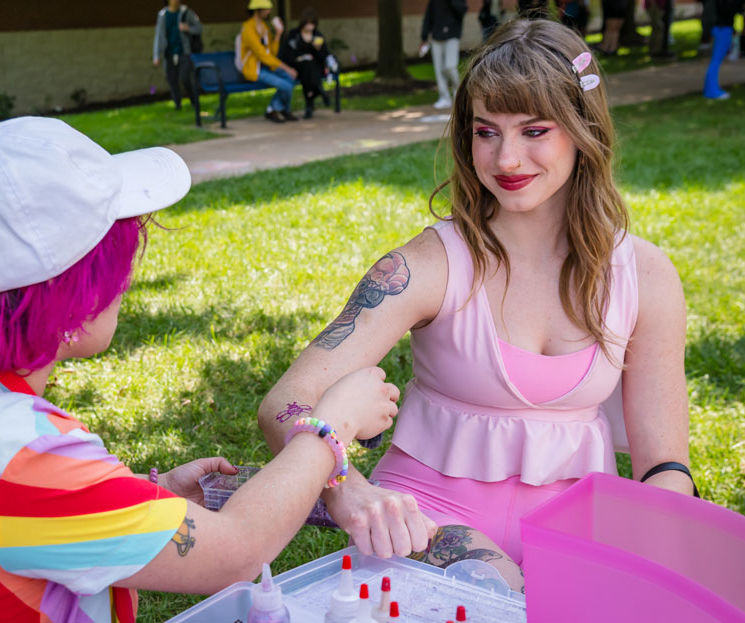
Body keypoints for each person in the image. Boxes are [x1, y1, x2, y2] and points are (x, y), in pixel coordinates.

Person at [0, 117, 400, 622]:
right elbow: (239, 549)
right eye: (116, 254)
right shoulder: (20, 455)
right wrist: (331, 425)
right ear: (73, 292)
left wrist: (148, 499)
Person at [258, 19, 696, 593]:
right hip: (429, 532)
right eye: (486, 132)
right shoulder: (427, 265)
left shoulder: (644, 275)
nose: (507, 159)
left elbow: (665, 466)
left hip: (580, 541)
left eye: (534, 131)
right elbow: (284, 403)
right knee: (495, 590)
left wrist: (642, 542)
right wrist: (349, 490)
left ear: (582, 129)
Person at [239, 0, 300, 123]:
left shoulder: (264, 27)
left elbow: (272, 53)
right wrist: (286, 67)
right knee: (286, 85)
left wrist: (278, 34)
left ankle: (279, 109)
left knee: (290, 78)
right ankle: (275, 109)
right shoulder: (248, 29)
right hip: (254, 69)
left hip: (267, 66)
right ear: (258, 10)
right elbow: (263, 55)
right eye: (266, 9)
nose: (269, 12)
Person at [280, 7, 339, 119]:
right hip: (298, 67)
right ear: (303, 23)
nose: (310, 26)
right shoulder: (294, 34)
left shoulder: (317, 36)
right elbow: (287, 54)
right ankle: (318, 91)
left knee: (310, 66)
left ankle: (310, 102)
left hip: (314, 69)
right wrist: (300, 58)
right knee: (307, 66)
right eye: (308, 23)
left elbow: (324, 56)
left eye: (312, 24)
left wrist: (318, 49)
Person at [153, 0, 203, 112]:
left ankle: (194, 101)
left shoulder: (187, 13)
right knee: (172, 79)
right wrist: (156, 55)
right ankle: (178, 105)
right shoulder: (162, 15)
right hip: (169, 52)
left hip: (185, 52)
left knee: (185, 77)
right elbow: (159, 36)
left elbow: (199, 28)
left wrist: (188, 28)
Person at [420, 0, 469, 109]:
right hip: (436, 37)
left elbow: (463, 11)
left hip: (452, 36)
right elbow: (428, 17)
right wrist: (424, 37)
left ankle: (460, 92)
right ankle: (444, 97)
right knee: (439, 69)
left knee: (450, 66)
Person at [704, 0, 740, 98]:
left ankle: (711, 89)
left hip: (721, 28)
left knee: (715, 61)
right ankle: (712, 91)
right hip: (722, 29)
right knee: (715, 61)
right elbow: (734, 8)